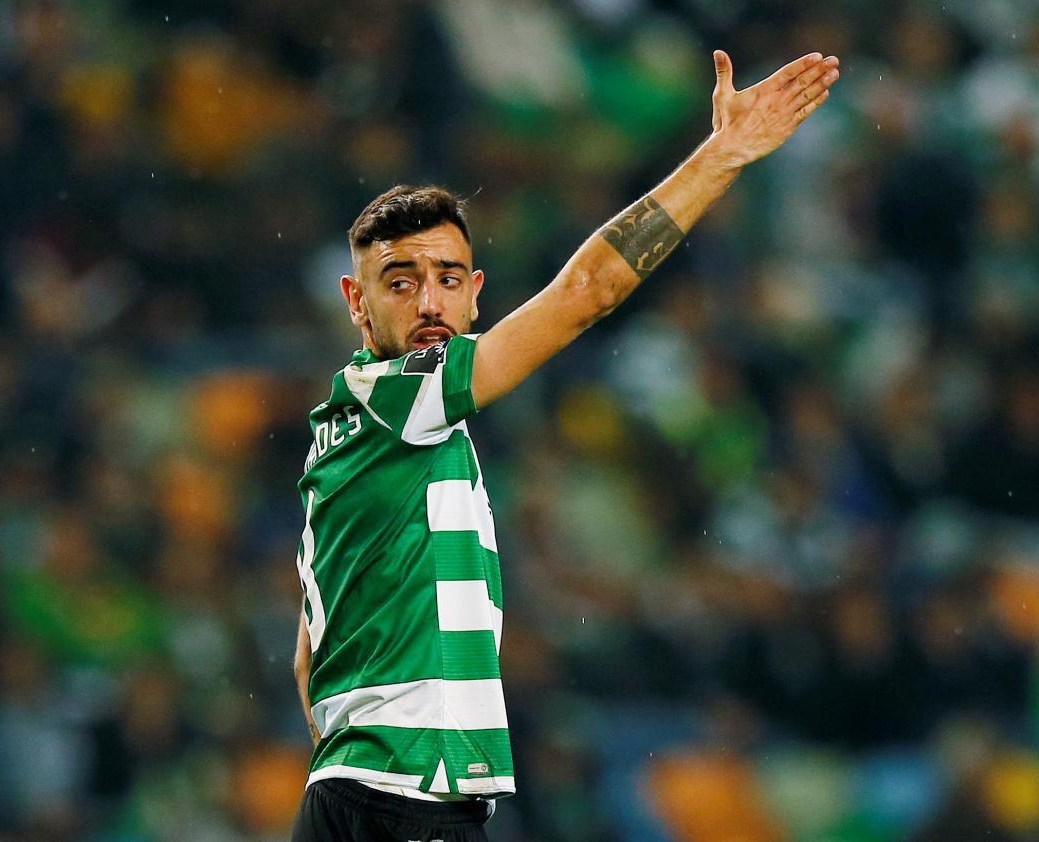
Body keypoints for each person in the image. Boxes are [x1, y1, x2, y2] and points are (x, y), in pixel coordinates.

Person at [290, 48, 841, 841]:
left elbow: (308, 659)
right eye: (400, 282)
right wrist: (722, 156)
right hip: (408, 794)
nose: (430, 303)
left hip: (349, 795)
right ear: (356, 301)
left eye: (449, 278)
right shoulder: (403, 396)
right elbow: (590, 291)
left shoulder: (338, 431)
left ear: (476, 295)